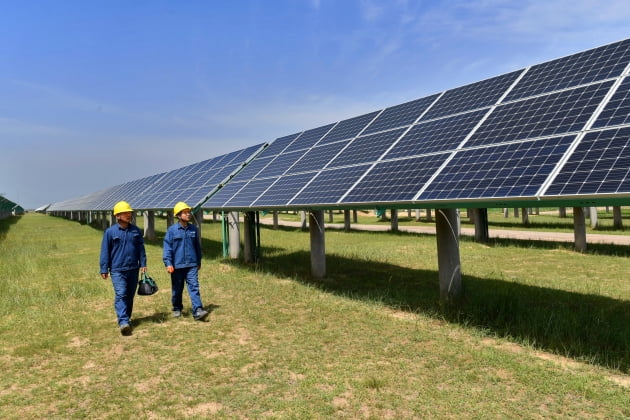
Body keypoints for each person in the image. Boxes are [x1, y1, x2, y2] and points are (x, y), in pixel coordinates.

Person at [99, 201, 147, 336]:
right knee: (121, 294)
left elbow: (141, 249)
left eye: (130, 213)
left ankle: (126, 318)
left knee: (130, 295)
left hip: (133, 268)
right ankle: (123, 321)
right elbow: (105, 251)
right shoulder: (110, 232)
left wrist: (143, 263)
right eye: (125, 213)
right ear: (118, 216)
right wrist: (104, 268)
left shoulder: (136, 231)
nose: (129, 215)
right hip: (117, 270)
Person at [163, 202, 209, 321]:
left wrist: (198, 261)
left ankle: (198, 310)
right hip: (177, 265)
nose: (188, 214)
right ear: (178, 215)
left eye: (188, 212)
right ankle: (177, 308)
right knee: (177, 288)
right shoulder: (172, 230)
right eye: (185, 213)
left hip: (192, 264)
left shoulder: (193, 229)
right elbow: (167, 248)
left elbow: (197, 247)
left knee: (194, 287)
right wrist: (168, 263)